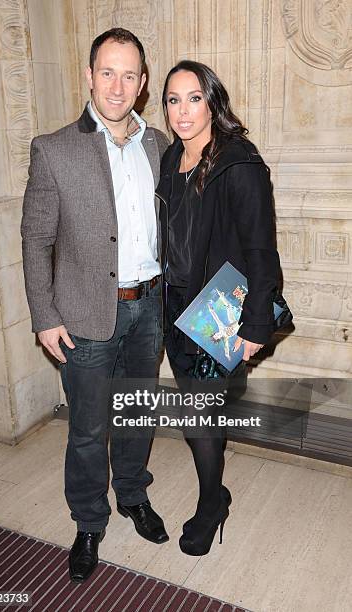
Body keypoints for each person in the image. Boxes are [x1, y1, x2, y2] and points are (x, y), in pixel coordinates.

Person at [21, 28, 170, 583]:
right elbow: (35, 238)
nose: (118, 85)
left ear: (143, 82)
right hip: (84, 315)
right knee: (87, 429)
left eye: (129, 74)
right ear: (88, 76)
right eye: (107, 71)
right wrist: (44, 315)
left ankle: (132, 494)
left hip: (148, 308)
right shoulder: (54, 148)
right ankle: (88, 522)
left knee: (137, 413)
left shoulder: (158, 144)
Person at [156, 60, 281, 556]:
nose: (182, 111)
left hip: (220, 315)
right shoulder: (170, 160)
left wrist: (255, 325)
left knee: (202, 420)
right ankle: (216, 494)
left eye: (193, 98)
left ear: (212, 102)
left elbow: (261, 251)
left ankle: (212, 505)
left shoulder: (238, 162)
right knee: (195, 419)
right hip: (177, 311)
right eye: (172, 99)